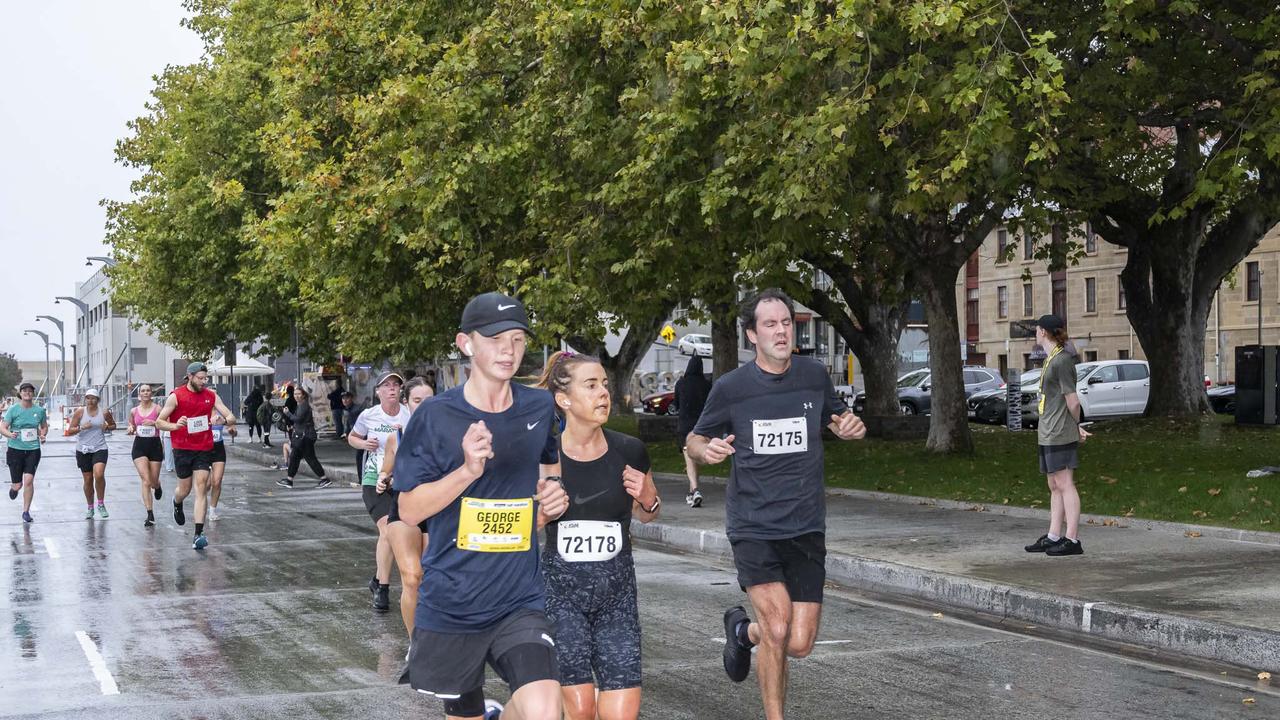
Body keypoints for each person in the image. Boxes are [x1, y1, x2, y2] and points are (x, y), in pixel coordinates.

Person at [686, 288, 867, 720]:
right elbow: (693, 438)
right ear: (752, 334)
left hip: (805, 526)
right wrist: (704, 450)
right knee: (779, 626)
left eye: (786, 322)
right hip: (754, 527)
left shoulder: (813, 375)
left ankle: (741, 632)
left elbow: (837, 417)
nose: (781, 331)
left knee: (799, 643)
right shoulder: (732, 388)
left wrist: (848, 427)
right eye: (770, 324)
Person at [394, 292, 569, 720]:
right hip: (454, 602)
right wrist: (467, 472)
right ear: (465, 343)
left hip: (518, 597)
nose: (508, 350)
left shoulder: (540, 406)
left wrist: (552, 493)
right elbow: (410, 511)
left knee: (545, 710)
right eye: (494, 338)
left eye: (517, 339)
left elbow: (550, 466)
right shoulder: (434, 416)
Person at [536, 351, 661, 720]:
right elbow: (519, 530)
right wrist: (540, 515)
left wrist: (648, 499)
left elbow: (648, 514)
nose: (603, 393)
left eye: (605, 384)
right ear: (564, 399)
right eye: (591, 385)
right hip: (562, 599)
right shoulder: (545, 457)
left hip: (618, 599)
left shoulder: (629, 450)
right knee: (582, 710)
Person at [1024, 314, 1091, 557]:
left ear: (1043, 331)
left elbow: (1072, 401)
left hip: (1060, 431)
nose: (1035, 333)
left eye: (1037, 329)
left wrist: (1076, 426)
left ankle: (1072, 539)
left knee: (1065, 483)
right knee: (1053, 484)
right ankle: (1053, 535)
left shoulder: (1062, 361)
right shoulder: (1050, 360)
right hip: (1048, 431)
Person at [156, 362, 238, 550]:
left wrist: (223, 420)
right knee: (184, 489)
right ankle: (176, 502)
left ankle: (198, 534)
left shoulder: (211, 395)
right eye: (200, 378)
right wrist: (176, 426)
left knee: (201, 487)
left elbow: (231, 417)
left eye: (206, 378)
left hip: (203, 447)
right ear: (190, 377)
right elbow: (159, 422)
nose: (204, 381)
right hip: (182, 448)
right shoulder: (176, 396)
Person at [349, 371, 411, 612]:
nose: (392, 389)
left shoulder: (409, 416)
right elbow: (353, 437)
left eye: (396, 385)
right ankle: (383, 589)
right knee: (387, 531)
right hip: (373, 478)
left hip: (402, 481)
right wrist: (364, 444)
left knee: (397, 533)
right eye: (387, 386)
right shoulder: (369, 415)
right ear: (378, 392)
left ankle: (376, 579)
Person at [381, 375, 435, 641]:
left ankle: (438, 635)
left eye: (429, 400)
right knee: (412, 577)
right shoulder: (396, 438)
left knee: (433, 580)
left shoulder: (451, 437)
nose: (424, 405)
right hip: (404, 511)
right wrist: (383, 480)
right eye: (417, 400)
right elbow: (385, 474)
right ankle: (416, 645)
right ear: (407, 403)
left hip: (438, 512)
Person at [67, 388, 117, 520]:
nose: (90, 400)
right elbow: (70, 431)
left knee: (99, 474)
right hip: (83, 449)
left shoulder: (104, 412)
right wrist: (81, 427)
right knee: (88, 480)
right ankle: (90, 507)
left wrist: (107, 427)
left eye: (93, 398)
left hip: (100, 447)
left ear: (98, 400)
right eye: (88, 398)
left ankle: (100, 503)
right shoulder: (80, 412)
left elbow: (113, 425)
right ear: (85, 399)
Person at [2, 382, 48, 523]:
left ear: (33, 394)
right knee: (19, 484)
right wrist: (10, 434)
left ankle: (26, 512)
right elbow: (2, 427)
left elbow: (44, 426)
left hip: (33, 450)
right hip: (15, 450)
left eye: (30, 391)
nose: (27, 393)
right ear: (20, 394)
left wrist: (43, 435)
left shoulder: (39, 411)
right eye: (24, 391)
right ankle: (14, 488)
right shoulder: (13, 409)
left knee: (28, 480)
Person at [674, 353, 711, 508]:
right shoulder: (707, 384)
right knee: (694, 459)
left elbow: (676, 404)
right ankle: (691, 493)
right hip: (701, 426)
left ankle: (695, 490)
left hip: (685, 426)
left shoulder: (681, 384)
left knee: (689, 459)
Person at [277, 385, 330, 488]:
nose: (296, 396)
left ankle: (324, 479)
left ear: (303, 395)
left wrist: (288, 413)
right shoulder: (301, 404)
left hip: (305, 437)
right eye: (295, 394)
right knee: (294, 457)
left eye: (299, 394)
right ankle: (289, 480)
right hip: (302, 436)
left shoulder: (303, 405)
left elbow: (298, 419)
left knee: (310, 458)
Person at [128, 384, 165, 527]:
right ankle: (150, 514)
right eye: (143, 391)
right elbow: (131, 425)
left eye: (148, 390)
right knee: (146, 480)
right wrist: (131, 428)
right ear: (139, 394)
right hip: (139, 447)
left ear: (151, 393)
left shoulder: (158, 409)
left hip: (154, 446)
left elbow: (165, 424)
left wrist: (154, 423)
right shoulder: (133, 410)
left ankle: (158, 485)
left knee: (153, 480)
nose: (145, 393)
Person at [209, 411, 229, 521]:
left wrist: (230, 428)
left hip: (218, 450)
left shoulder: (221, 412)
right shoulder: (201, 410)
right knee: (206, 485)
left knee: (217, 482)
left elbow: (232, 428)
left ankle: (212, 511)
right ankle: (200, 505)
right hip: (204, 449)